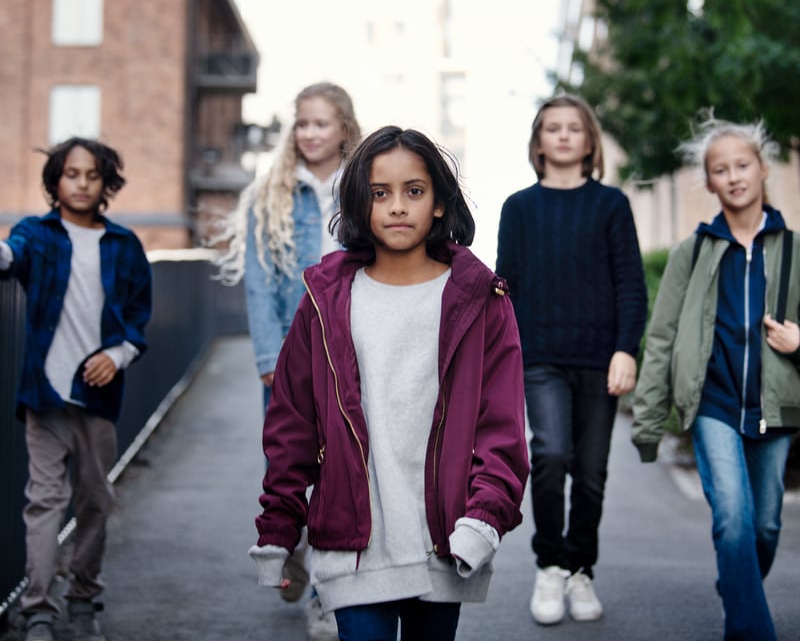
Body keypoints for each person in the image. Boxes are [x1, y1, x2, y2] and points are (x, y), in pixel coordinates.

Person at [248, 126, 529, 641]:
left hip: (444, 543)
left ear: (440, 203)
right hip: (352, 549)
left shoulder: (481, 300)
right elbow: (292, 424)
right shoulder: (325, 300)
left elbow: (502, 428)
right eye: (380, 193)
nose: (397, 206)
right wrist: (279, 528)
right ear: (361, 204)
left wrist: (483, 518)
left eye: (414, 191)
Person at [632, 116, 800, 641]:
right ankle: (751, 632)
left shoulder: (794, 250)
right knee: (732, 520)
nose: (733, 176)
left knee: (765, 527)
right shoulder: (693, 252)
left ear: (763, 169)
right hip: (714, 405)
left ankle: (737, 585)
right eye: (719, 169)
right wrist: (648, 421)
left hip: (776, 407)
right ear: (707, 182)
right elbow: (660, 338)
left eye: (742, 165)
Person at [214, 82, 361, 640]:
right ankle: (296, 548)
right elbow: (258, 283)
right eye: (302, 123)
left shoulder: (366, 186)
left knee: (342, 476)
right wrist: (267, 355)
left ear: (344, 126)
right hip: (289, 359)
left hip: (349, 355)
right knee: (292, 470)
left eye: (321, 123)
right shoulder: (268, 193)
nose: (310, 133)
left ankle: (325, 596)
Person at [495, 93, 647, 626]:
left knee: (590, 473)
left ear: (589, 142)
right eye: (552, 128)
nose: (562, 135)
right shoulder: (518, 208)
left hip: (599, 358)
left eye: (573, 128)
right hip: (540, 359)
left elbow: (631, 282)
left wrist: (626, 349)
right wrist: (502, 357)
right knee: (552, 454)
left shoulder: (611, 205)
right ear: (538, 142)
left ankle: (582, 570)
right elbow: (504, 286)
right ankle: (550, 567)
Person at [0, 137, 152, 641]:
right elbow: (8, 256)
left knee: (93, 499)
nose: (82, 183)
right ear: (55, 181)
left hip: (98, 395)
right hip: (44, 395)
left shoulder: (124, 245)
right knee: (44, 501)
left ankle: (84, 597)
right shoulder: (35, 234)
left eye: (92, 175)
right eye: (71, 174)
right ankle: (37, 608)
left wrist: (117, 355)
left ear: (106, 182)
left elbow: (137, 318)